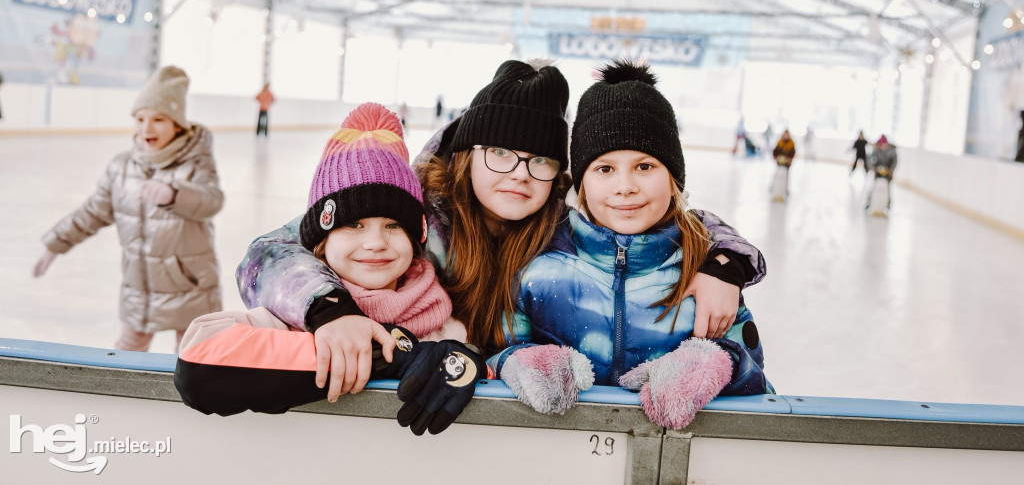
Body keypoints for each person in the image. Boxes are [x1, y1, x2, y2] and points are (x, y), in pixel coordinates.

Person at [235, 59, 766, 402]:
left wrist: (726, 261)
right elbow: (269, 253)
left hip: (484, 384)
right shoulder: (412, 208)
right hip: (392, 378)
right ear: (468, 154)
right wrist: (329, 310)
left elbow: (676, 221)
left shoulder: (561, 222)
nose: (518, 174)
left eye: (538, 160)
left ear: (562, 176)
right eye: (501, 154)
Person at [489, 61, 771, 430]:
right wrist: (522, 362)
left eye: (644, 166)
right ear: (582, 183)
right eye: (605, 169)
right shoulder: (538, 263)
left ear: (673, 179)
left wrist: (715, 366)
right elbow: (497, 349)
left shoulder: (706, 269)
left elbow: (756, 381)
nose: (625, 186)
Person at [175, 104, 481, 435]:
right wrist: (382, 356)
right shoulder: (292, 316)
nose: (376, 242)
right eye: (353, 224)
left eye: (394, 225)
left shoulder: (446, 326)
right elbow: (199, 360)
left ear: (417, 236)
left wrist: (467, 363)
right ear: (320, 241)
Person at [33, 66, 223, 352]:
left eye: (159, 119)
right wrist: (55, 244)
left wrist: (174, 194)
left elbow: (211, 201)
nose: (147, 128)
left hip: (191, 286)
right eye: (140, 118)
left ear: (178, 124)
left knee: (194, 358)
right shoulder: (122, 167)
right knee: (127, 353)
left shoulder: (196, 163)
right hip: (140, 288)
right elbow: (93, 213)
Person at [869, 135, 898, 208]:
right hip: (878, 172)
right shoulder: (876, 149)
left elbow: (895, 161)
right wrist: (873, 168)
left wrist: (891, 170)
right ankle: (869, 202)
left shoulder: (892, 151)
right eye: (880, 145)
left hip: (888, 173)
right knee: (875, 186)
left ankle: (888, 204)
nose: (882, 146)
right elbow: (871, 159)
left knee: (887, 188)